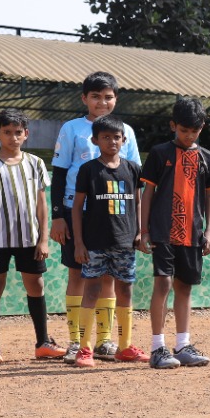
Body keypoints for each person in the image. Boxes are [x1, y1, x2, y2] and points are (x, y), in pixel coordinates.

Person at [50, 71, 140, 361]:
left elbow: (134, 178)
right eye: (96, 96)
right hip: (76, 211)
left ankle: (104, 341)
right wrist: (57, 215)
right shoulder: (72, 128)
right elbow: (59, 173)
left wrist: (138, 225)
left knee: (109, 278)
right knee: (78, 273)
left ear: (116, 99)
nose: (102, 102)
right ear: (84, 98)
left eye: (108, 97)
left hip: (113, 213)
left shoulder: (125, 130)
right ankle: (77, 342)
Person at [137, 97, 210, 368]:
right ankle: (157, 348)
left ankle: (183, 345)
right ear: (173, 126)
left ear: (202, 128)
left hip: (193, 234)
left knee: (184, 286)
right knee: (163, 284)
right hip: (163, 231)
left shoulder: (208, 158)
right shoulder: (160, 153)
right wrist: (144, 230)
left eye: (194, 131)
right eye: (184, 130)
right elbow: (148, 193)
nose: (189, 135)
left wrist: (209, 231)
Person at [0, 109, 57, 363]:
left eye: (18, 132)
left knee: (36, 285)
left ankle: (43, 342)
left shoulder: (36, 163)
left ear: (26, 134)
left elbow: (42, 204)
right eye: (7, 132)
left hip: (30, 239)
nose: (13, 137)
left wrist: (43, 239)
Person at [69, 116, 143, 368]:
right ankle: (84, 349)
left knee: (125, 290)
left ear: (124, 140)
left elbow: (138, 202)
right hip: (95, 243)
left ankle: (125, 347)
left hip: (125, 243)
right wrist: (79, 243)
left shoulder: (133, 169)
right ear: (95, 140)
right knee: (91, 290)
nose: (112, 141)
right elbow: (77, 207)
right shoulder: (88, 170)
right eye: (106, 137)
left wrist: (140, 232)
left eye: (117, 137)